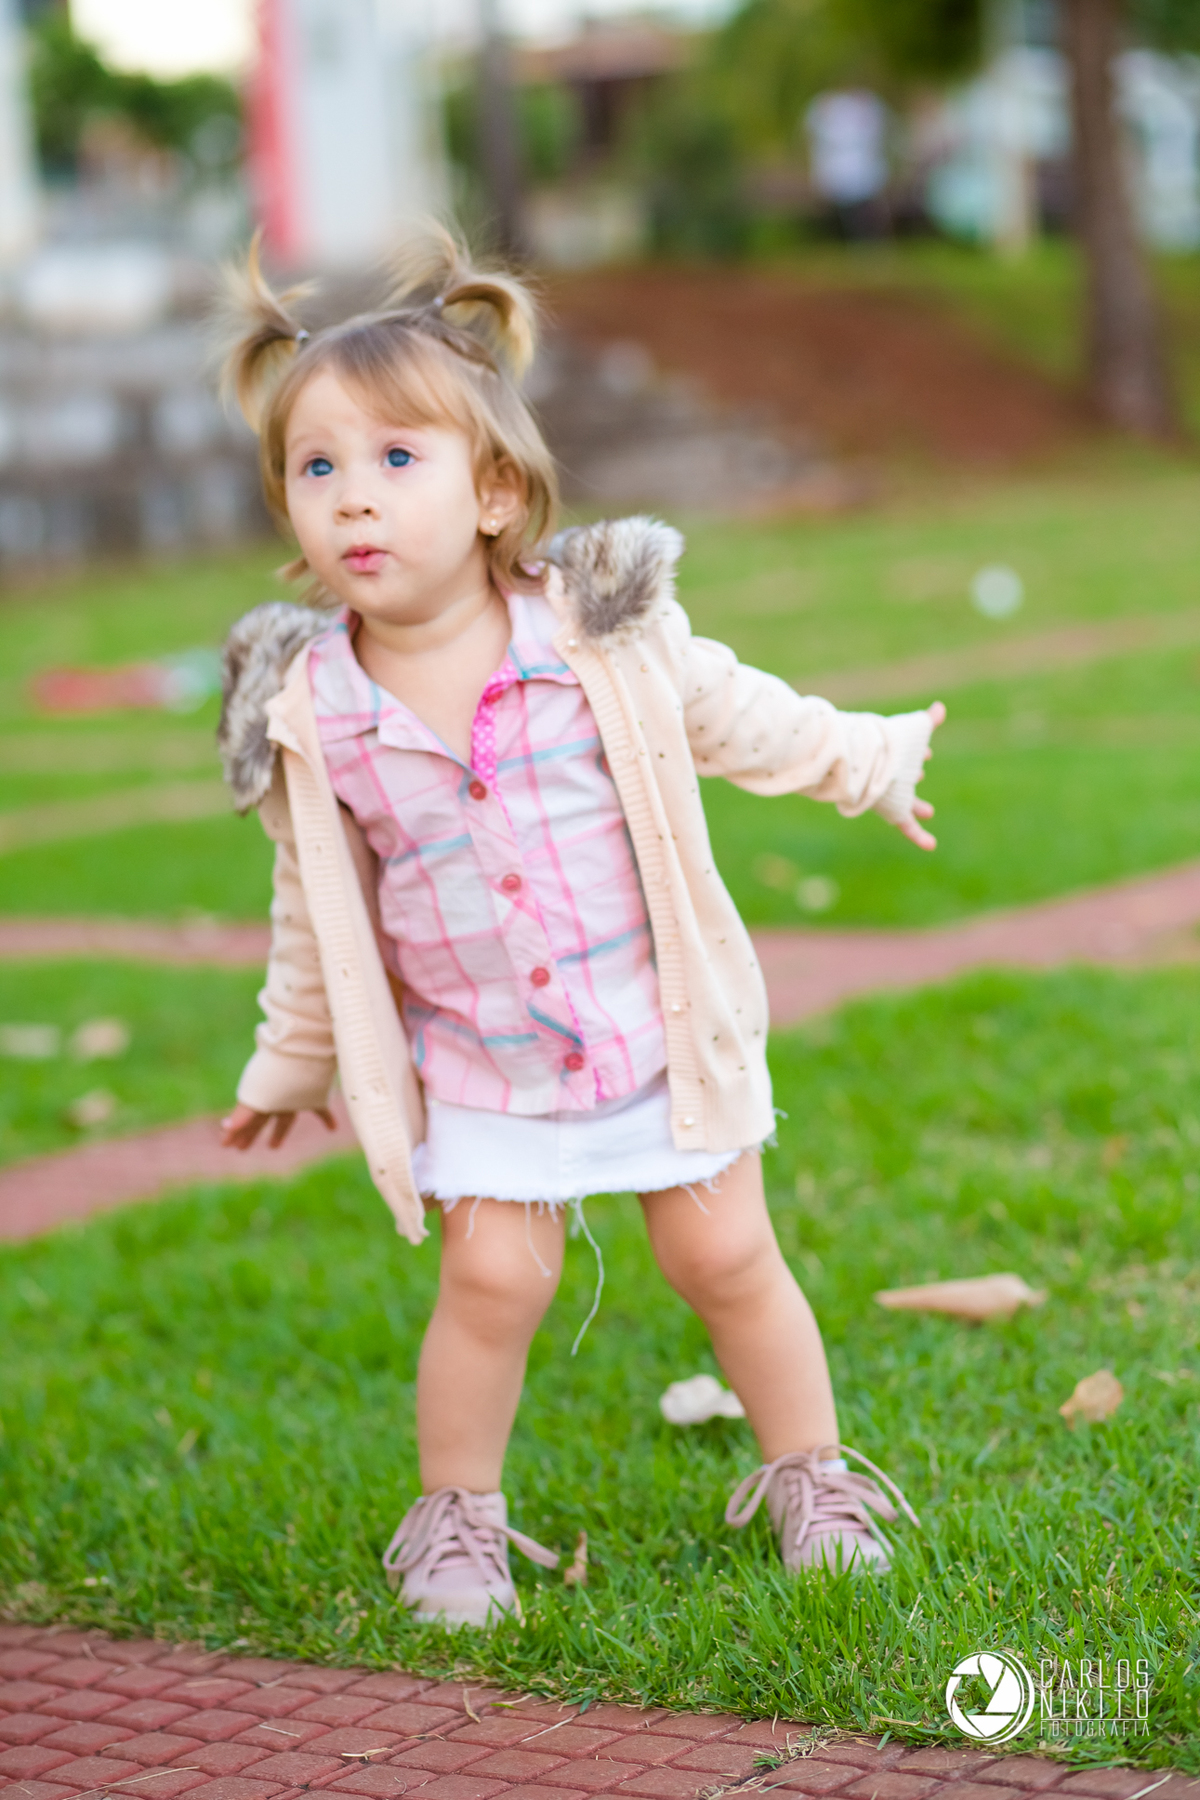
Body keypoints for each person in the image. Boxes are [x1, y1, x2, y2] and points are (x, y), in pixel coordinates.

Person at [215, 227, 943, 1630]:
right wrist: (291, 1063)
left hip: (652, 1030)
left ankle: (815, 1477)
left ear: (495, 491)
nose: (353, 498)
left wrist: (867, 760)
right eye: (316, 469)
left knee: (723, 1258)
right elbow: (316, 917)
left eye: (396, 459)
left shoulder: (597, 634)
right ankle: (457, 1522)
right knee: (493, 1279)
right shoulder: (317, 714)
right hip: (485, 1064)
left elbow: (737, 713)